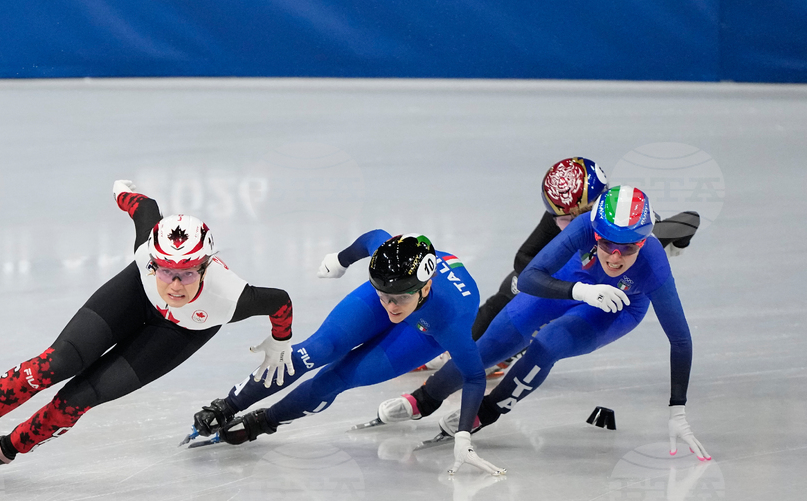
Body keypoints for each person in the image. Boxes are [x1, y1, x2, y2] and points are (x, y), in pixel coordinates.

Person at [0, 181, 296, 482]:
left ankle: (5, 449)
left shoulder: (232, 298)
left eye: (188, 273)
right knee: (52, 365)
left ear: (207, 268)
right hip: (133, 297)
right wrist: (122, 190)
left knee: (80, 396)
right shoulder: (146, 252)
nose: (175, 284)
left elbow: (279, 301)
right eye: (166, 271)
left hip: (181, 333)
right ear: (153, 261)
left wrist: (281, 340)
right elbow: (145, 206)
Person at [188, 232, 506, 476]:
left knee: (337, 379)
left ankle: (264, 422)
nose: (389, 306)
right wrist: (341, 260)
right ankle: (227, 406)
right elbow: (373, 237)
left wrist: (464, 434)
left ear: (424, 288)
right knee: (316, 350)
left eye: (397, 300)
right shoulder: (390, 265)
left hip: (425, 329)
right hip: (405, 289)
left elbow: (475, 377)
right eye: (383, 296)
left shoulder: (452, 322)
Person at [431, 185, 710, 461]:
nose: (615, 256)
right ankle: (423, 398)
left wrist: (678, 411)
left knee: (548, 344)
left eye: (627, 248)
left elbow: (681, 339)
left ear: (643, 240)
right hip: (578, 278)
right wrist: (580, 290)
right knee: (494, 340)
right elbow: (527, 276)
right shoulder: (584, 225)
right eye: (606, 243)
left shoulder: (653, 262)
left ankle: (487, 411)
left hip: (621, 303)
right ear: (595, 231)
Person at [378, 156, 608, 423]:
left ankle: (510, 350)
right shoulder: (562, 212)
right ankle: (464, 346)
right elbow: (524, 257)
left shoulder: (619, 224)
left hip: (595, 290)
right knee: (509, 290)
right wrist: (544, 281)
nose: (569, 224)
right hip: (559, 276)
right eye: (561, 217)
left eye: (574, 218)